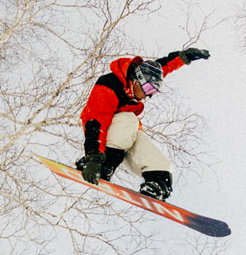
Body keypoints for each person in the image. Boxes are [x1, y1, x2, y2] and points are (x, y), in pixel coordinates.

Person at [76, 48, 210, 200]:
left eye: (152, 92)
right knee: (129, 120)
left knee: (161, 164)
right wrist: (94, 157)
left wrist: (183, 57)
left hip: (123, 138)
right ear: (136, 79)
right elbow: (95, 120)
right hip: (102, 142)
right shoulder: (109, 85)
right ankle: (105, 165)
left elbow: (162, 67)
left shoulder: (140, 79)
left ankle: (157, 185)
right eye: (147, 88)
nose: (147, 95)